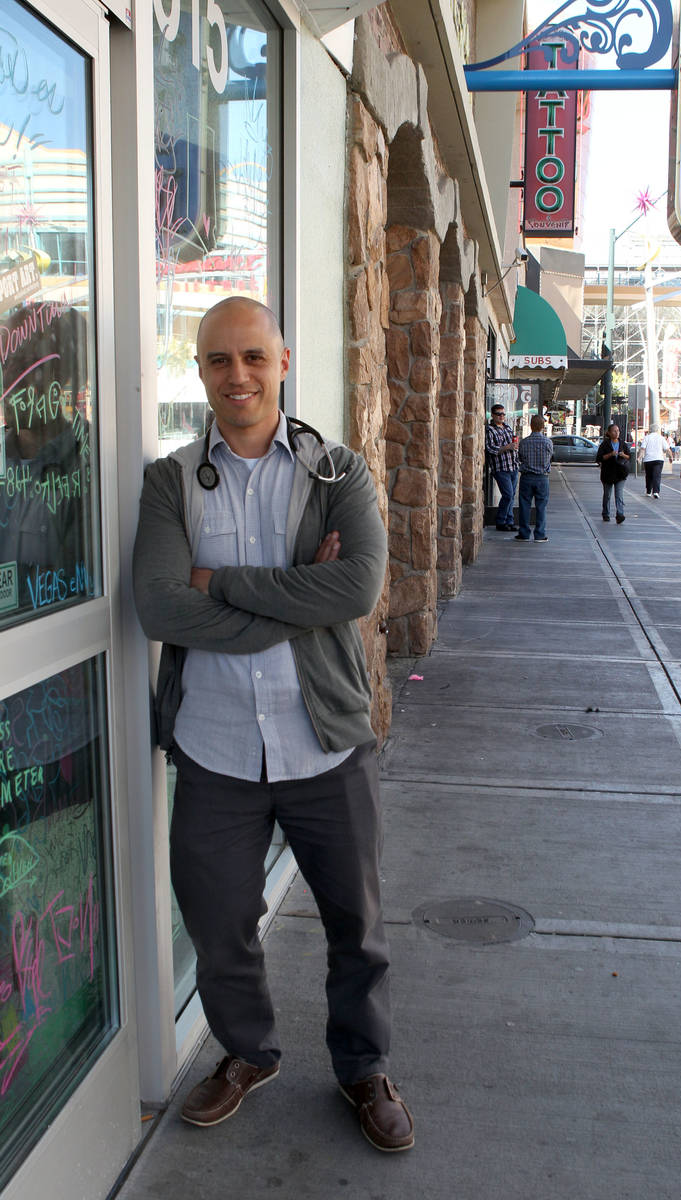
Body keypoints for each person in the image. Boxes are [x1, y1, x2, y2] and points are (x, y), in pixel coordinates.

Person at [132, 297, 414, 1152]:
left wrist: (216, 584)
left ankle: (362, 1070)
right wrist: (298, 594)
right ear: (201, 372)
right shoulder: (169, 480)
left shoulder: (338, 474)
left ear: (282, 362)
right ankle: (247, 1054)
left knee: (354, 927)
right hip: (215, 747)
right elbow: (156, 606)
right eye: (219, 360)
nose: (237, 375)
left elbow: (356, 590)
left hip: (323, 741)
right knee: (218, 926)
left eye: (253, 357)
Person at [515, 413, 553, 542]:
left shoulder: (524, 442)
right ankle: (540, 534)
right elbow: (549, 459)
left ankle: (524, 533)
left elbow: (519, 458)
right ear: (543, 427)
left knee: (524, 505)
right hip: (542, 478)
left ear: (531, 426)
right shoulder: (548, 442)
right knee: (541, 506)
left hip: (527, 477)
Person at [485, 404, 518, 531]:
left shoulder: (508, 427)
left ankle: (509, 521)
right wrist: (507, 447)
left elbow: (513, 444)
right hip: (500, 467)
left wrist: (515, 447)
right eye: (499, 414)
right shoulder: (490, 430)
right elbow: (490, 449)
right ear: (493, 415)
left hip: (513, 466)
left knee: (511, 495)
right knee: (508, 495)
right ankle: (500, 521)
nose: (502, 416)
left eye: (503, 414)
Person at [596, 423, 631, 523]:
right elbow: (599, 458)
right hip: (608, 473)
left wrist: (623, 455)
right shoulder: (605, 444)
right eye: (614, 431)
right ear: (609, 433)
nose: (617, 433)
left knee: (619, 494)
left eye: (618, 431)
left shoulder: (622, 443)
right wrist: (610, 454)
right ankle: (606, 513)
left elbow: (629, 457)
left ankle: (620, 514)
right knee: (607, 494)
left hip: (620, 473)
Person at [638, 422, 673, 499]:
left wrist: (639, 457)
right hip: (658, 459)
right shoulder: (661, 438)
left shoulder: (647, 437)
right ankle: (656, 492)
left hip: (648, 459)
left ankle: (648, 491)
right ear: (657, 430)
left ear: (650, 430)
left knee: (649, 475)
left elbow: (642, 448)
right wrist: (671, 457)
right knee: (657, 476)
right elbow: (667, 449)